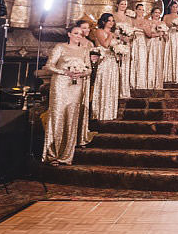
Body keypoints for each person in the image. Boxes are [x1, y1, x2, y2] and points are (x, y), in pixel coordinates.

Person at [43, 20, 94, 164]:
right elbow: (49, 66)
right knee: (57, 116)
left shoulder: (85, 50)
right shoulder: (60, 47)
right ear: (69, 34)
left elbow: (89, 69)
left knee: (71, 118)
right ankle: (52, 154)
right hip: (60, 85)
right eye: (76, 33)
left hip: (76, 86)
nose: (79, 36)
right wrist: (64, 72)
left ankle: (66, 156)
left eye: (81, 34)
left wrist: (81, 73)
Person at [90, 13, 120, 122]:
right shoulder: (99, 31)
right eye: (109, 21)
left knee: (112, 85)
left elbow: (116, 46)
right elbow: (105, 45)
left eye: (112, 21)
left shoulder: (114, 33)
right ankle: (101, 113)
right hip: (104, 62)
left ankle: (110, 112)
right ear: (103, 22)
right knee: (104, 84)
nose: (111, 23)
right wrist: (111, 36)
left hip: (113, 61)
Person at [112, 0, 134, 99]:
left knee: (125, 66)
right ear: (117, 5)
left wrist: (128, 37)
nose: (123, 6)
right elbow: (110, 29)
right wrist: (118, 36)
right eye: (122, 4)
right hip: (115, 42)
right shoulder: (113, 16)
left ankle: (124, 90)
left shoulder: (129, 19)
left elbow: (132, 33)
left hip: (126, 43)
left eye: (125, 4)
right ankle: (114, 90)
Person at [130, 2, 151, 91]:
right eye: (139, 9)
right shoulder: (131, 21)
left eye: (143, 10)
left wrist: (144, 28)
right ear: (135, 10)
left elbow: (149, 34)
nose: (141, 11)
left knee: (141, 61)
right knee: (133, 60)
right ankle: (132, 83)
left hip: (142, 42)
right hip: (133, 42)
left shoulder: (146, 21)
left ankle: (141, 83)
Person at [146, 7, 168, 90]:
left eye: (159, 13)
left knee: (159, 62)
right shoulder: (148, 22)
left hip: (160, 44)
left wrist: (164, 34)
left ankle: (158, 83)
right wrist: (157, 34)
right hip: (151, 43)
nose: (157, 14)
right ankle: (150, 83)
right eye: (155, 12)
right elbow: (148, 34)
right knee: (151, 61)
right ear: (152, 14)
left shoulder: (162, 23)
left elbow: (166, 37)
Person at [163, 1, 178, 84]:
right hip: (168, 35)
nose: (175, 8)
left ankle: (176, 76)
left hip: (177, 36)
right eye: (173, 7)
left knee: (176, 54)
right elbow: (163, 27)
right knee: (167, 53)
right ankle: (167, 76)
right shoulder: (166, 17)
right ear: (170, 7)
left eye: (176, 7)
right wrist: (169, 26)